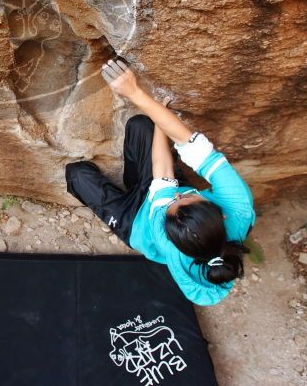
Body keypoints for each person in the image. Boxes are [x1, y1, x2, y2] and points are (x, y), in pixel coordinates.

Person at [65, 58, 255, 305]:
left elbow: (162, 173)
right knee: (142, 124)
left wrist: (143, 102)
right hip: (157, 189)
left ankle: (125, 195)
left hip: (135, 223)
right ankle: (134, 181)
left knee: (77, 174)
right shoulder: (238, 206)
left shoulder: (169, 244)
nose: (176, 197)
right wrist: (150, 107)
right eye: (185, 199)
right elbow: (189, 149)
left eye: (173, 206)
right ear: (222, 215)